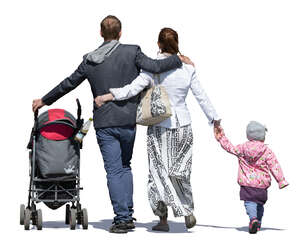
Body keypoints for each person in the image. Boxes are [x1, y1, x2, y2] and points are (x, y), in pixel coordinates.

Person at [32, 16, 193, 233]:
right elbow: (155, 66)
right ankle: (128, 212)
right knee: (125, 167)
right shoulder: (132, 51)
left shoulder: (90, 60)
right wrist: (178, 59)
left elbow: (69, 83)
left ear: (100, 34)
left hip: (105, 122)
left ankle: (122, 218)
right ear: (120, 33)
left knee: (114, 170)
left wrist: (44, 100)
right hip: (128, 121)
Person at [95, 27, 221, 232]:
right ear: (177, 43)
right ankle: (187, 210)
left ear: (159, 44)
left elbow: (132, 89)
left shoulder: (151, 69)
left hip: (159, 126)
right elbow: (201, 96)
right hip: (184, 126)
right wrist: (215, 121)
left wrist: (108, 95)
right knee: (181, 171)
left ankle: (163, 221)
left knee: (158, 173)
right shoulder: (188, 68)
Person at [214, 121, 289, 234]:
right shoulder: (267, 151)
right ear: (262, 137)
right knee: (259, 204)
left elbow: (229, 147)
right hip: (262, 185)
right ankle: (258, 222)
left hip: (247, 183)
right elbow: (275, 165)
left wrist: (221, 137)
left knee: (249, 202)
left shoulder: (242, 148)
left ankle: (253, 219)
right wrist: (281, 181)